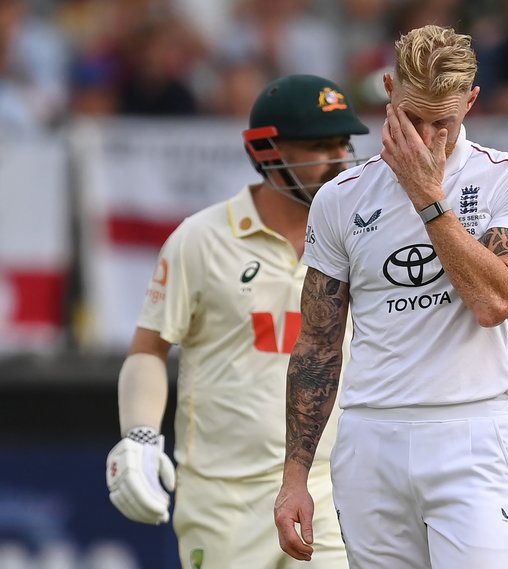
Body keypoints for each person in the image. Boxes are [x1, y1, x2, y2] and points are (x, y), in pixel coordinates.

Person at [274, 25, 508, 569]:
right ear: (388, 90)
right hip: (369, 437)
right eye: (411, 117)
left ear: (470, 101)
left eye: (442, 122)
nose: (425, 137)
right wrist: (295, 476)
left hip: (470, 433)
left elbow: (494, 302)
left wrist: (428, 199)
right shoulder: (339, 198)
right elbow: (318, 344)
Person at [104, 73, 369, 569]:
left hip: (328, 488)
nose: (339, 160)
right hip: (221, 499)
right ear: (267, 151)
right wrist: (139, 435)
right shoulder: (201, 238)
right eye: (319, 146)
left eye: (344, 143)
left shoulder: (362, 237)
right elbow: (149, 348)